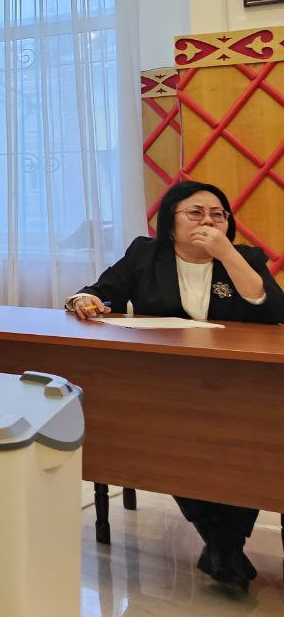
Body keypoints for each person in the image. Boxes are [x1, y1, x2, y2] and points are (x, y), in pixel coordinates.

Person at [65, 180, 284, 593]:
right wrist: (83, 301)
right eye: (195, 213)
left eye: (218, 215)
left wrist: (227, 254)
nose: (208, 222)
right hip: (166, 383)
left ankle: (222, 545)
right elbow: (99, 292)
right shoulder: (145, 255)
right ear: (170, 223)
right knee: (170, 440)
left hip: (235, 385)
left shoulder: (245, 258)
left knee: (246, 445)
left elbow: (274, 309)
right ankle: (224, 545)